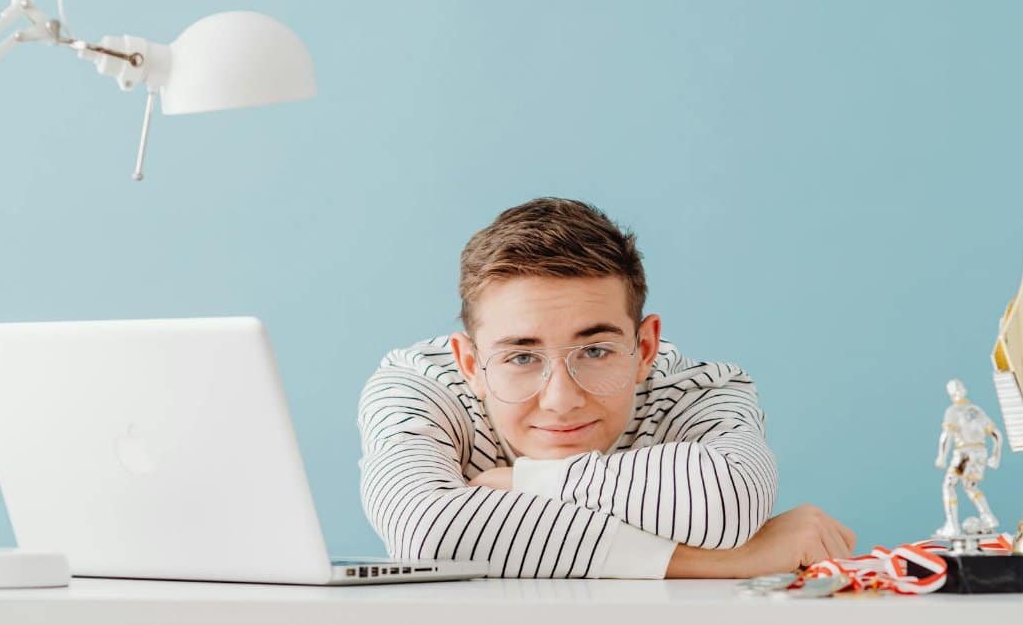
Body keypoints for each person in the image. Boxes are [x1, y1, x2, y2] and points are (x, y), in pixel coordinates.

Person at [358, 197, 855, 578]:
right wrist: (727, 560)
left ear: (644, 348)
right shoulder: (420, 384)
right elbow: (426, 531)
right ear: (470, 363)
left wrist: (526, 481)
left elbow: (731, 499)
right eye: (521, 357)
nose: (560, 400)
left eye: (594, 352)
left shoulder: (697, 388)